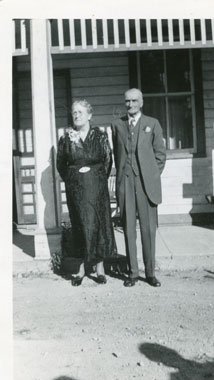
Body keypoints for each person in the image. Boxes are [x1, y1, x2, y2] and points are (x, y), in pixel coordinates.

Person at [57, 99, 116, 286]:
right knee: (81, 225)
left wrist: (95, 177)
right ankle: (81, 269)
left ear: (90, 115)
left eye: (80, 112)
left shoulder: (100, 136)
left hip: (97, 188)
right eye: (74, 112)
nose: (76, 115)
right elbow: (61, 165)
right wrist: (75, 178)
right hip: (76, 189)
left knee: (97, 225)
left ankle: (100, 268)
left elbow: (108, 161)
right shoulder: (66, 138)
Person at [111, 88, 166, 287]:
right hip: (126, 182)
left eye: (134, 101)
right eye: (127, 101)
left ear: (141, 103)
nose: (131, 104)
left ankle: (150, 273)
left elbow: (160, 156)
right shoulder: (117, 125)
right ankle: (133, 273)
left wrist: (150, 176)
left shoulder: (153, 124)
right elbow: (117, 156)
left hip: (145, 184)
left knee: (148, 229)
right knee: (128, 229)